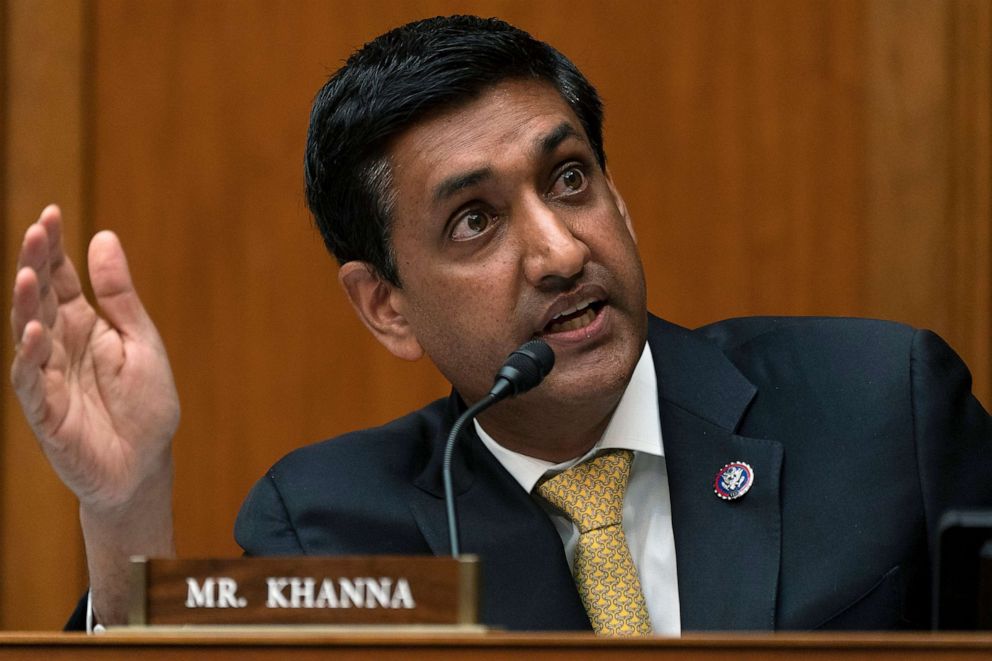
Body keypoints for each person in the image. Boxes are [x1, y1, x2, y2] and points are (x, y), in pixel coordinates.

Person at [9, 16, 991, 634]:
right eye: (474, 220)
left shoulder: (877, 406)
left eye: (569, 180)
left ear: (621, 201)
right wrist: (126, 507)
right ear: (384, 305)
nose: (560, 250)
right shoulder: (341, 523)